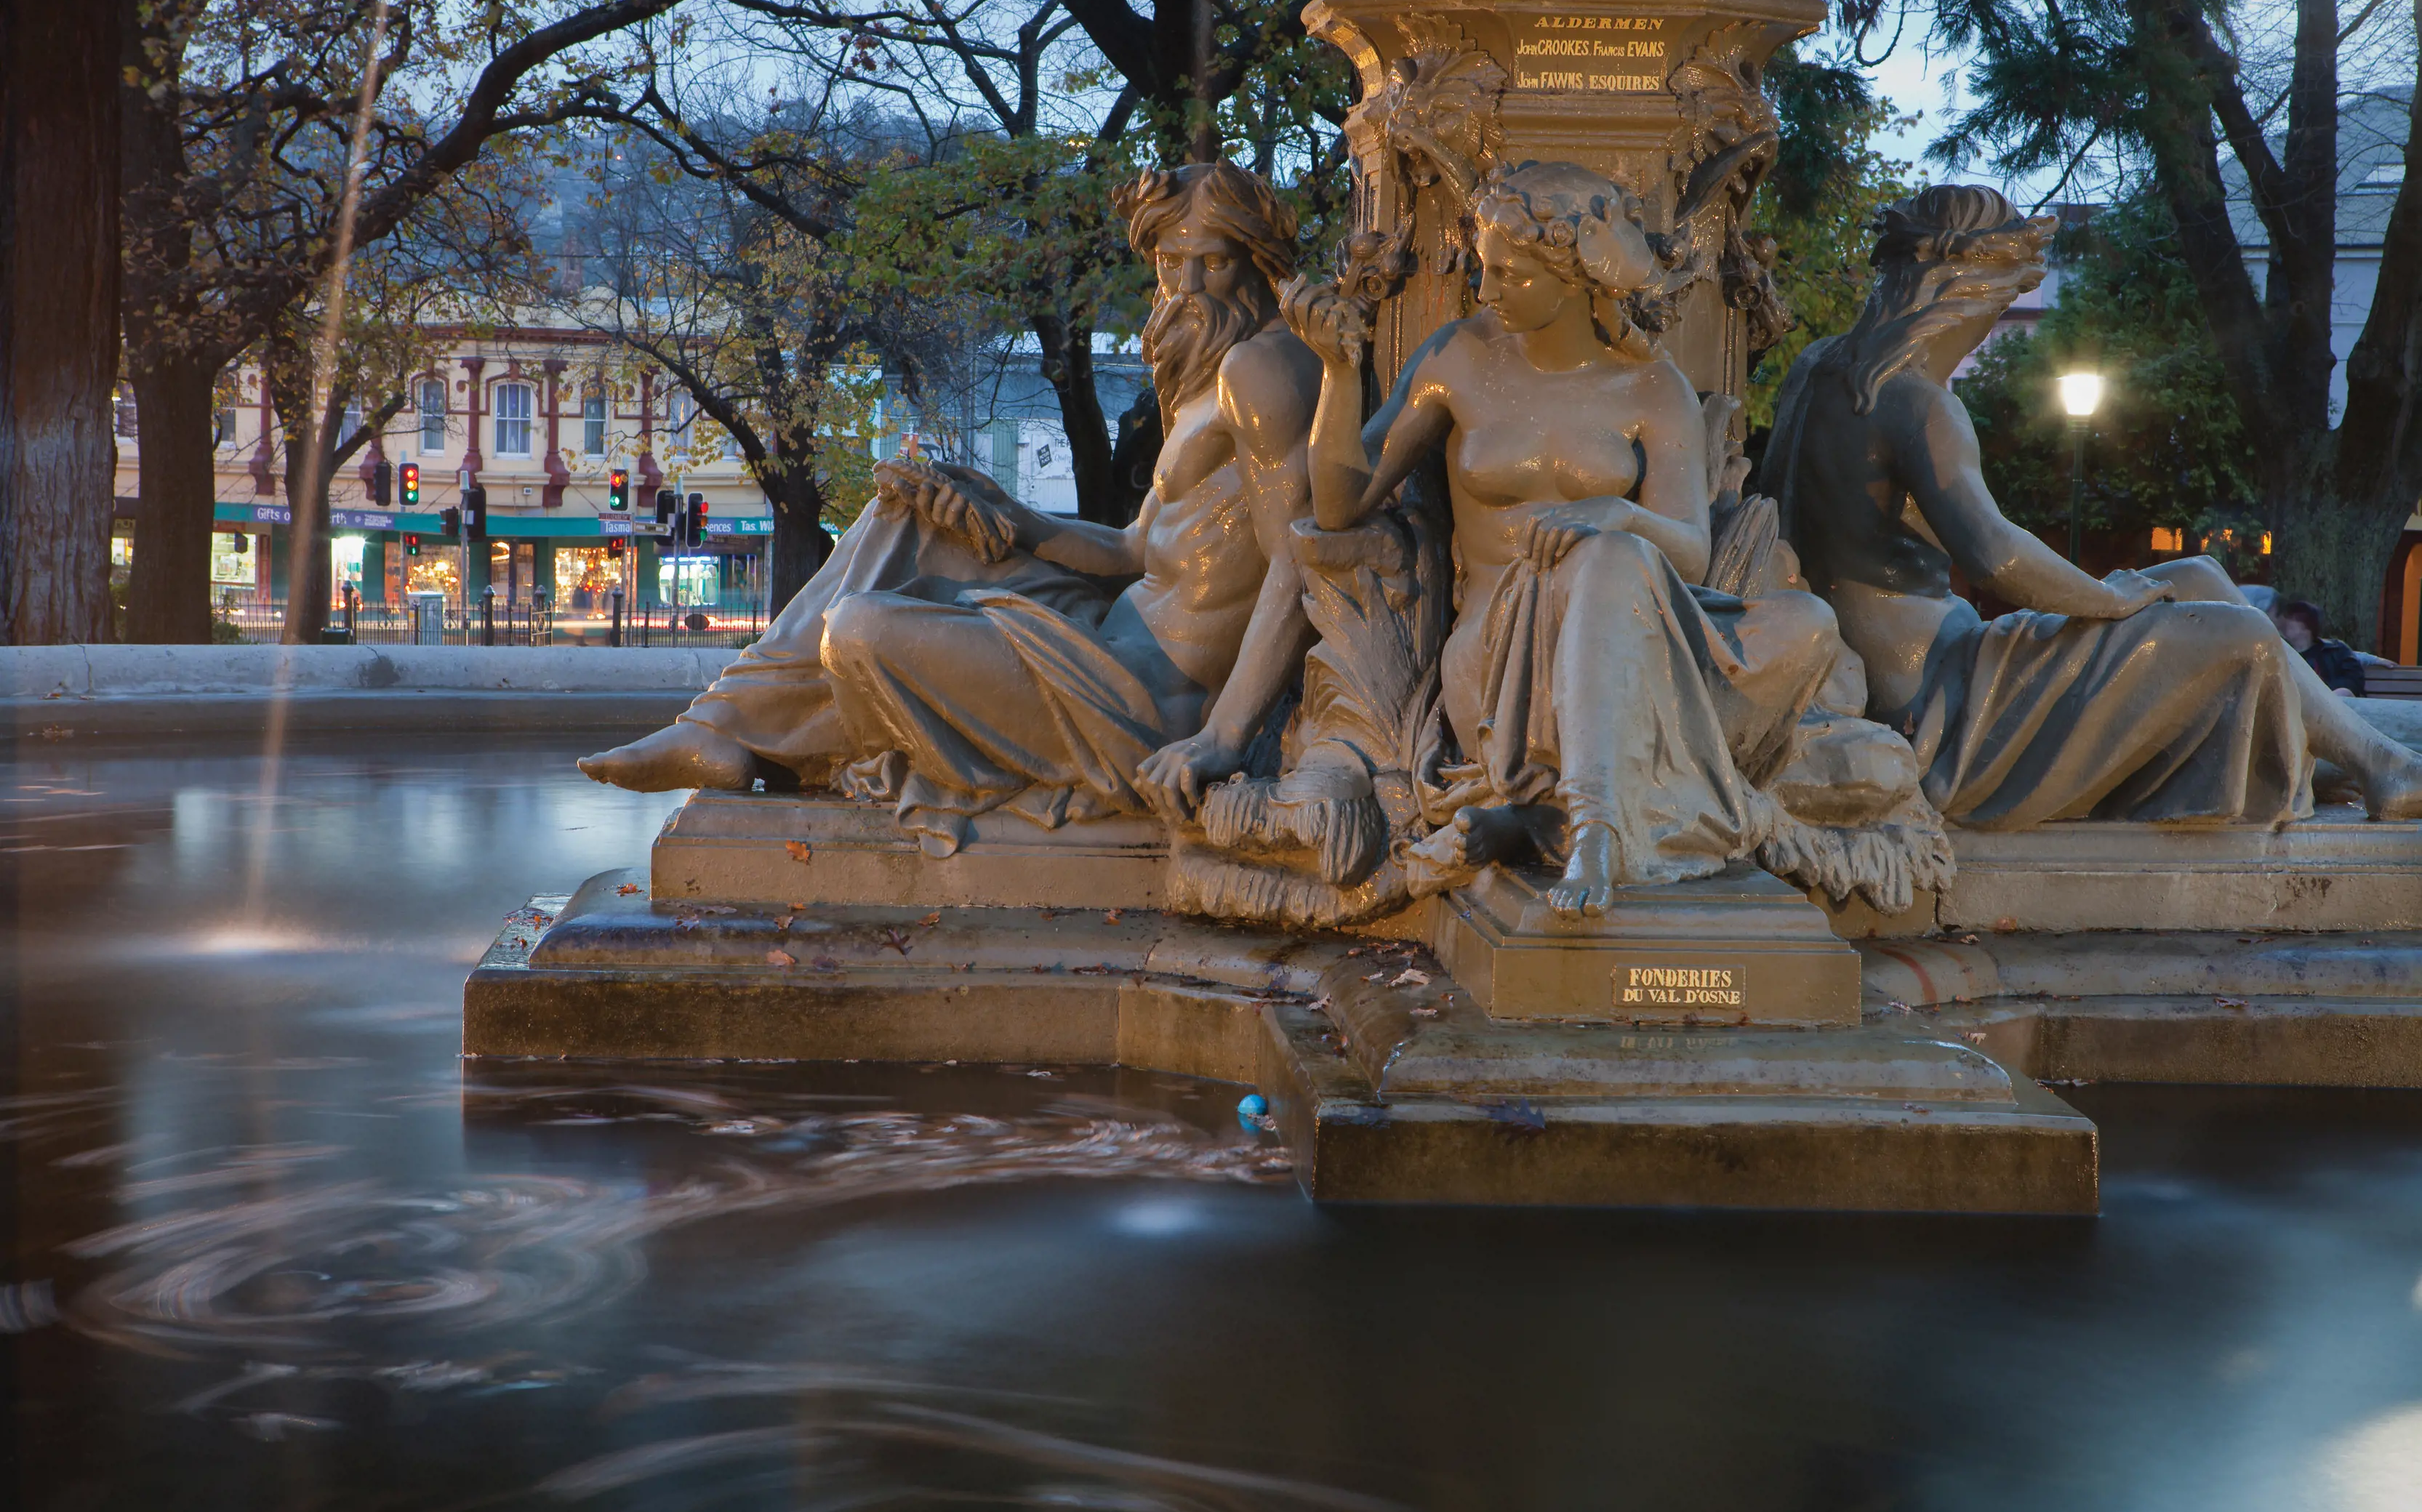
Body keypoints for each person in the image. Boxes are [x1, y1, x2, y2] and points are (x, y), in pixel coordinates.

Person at [577, 161, 1323, 843]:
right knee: (909, 512)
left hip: (1142, 705)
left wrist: (1223, 737)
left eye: (1214, 263)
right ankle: (718, 723)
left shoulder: (1264, 370)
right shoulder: (1210, 371)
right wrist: (1005, 511)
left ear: (1258, 262)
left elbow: (1300, 562)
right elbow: (1134, 551)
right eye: (1168, 264)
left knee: (861, 628)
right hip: (1104, 639)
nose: (1186, 287)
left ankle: (730, 728)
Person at [1282, 160, 1889, 915]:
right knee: (1606, 557)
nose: (1486, 291)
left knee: (1806, 622)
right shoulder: (1456, 359)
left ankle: (1546, 821)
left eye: (1509, 274)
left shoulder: (1650, 388)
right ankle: (1598, 830)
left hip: (1630, 643)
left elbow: (1690, 555)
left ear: (1574, 278)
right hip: (1501, 656)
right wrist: (1338, 376)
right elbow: (1340, 505)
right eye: (1483, 269)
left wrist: (1621, 515)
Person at [1763, 184, 2422, 826]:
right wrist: (2109, 600)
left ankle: (2379, 760)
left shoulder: (1814, 370)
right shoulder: (1917, 403)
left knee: (2200, 576)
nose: (1990, 324)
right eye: (2004, 301)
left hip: (1917, 671)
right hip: (1943, 704)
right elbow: (1993, 554)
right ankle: (2373, 762)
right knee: (2244, 631)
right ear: (1968, 295)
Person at [2277, 601, 2367, 697]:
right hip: (2298, 704)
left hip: (2333, 702)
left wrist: (2324, 693)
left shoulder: (2336, 649)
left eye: (2292, 618)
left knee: (2343, 692)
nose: (2285, 623)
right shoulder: (2281, 654)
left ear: (2307, 626)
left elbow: (2354, 680)